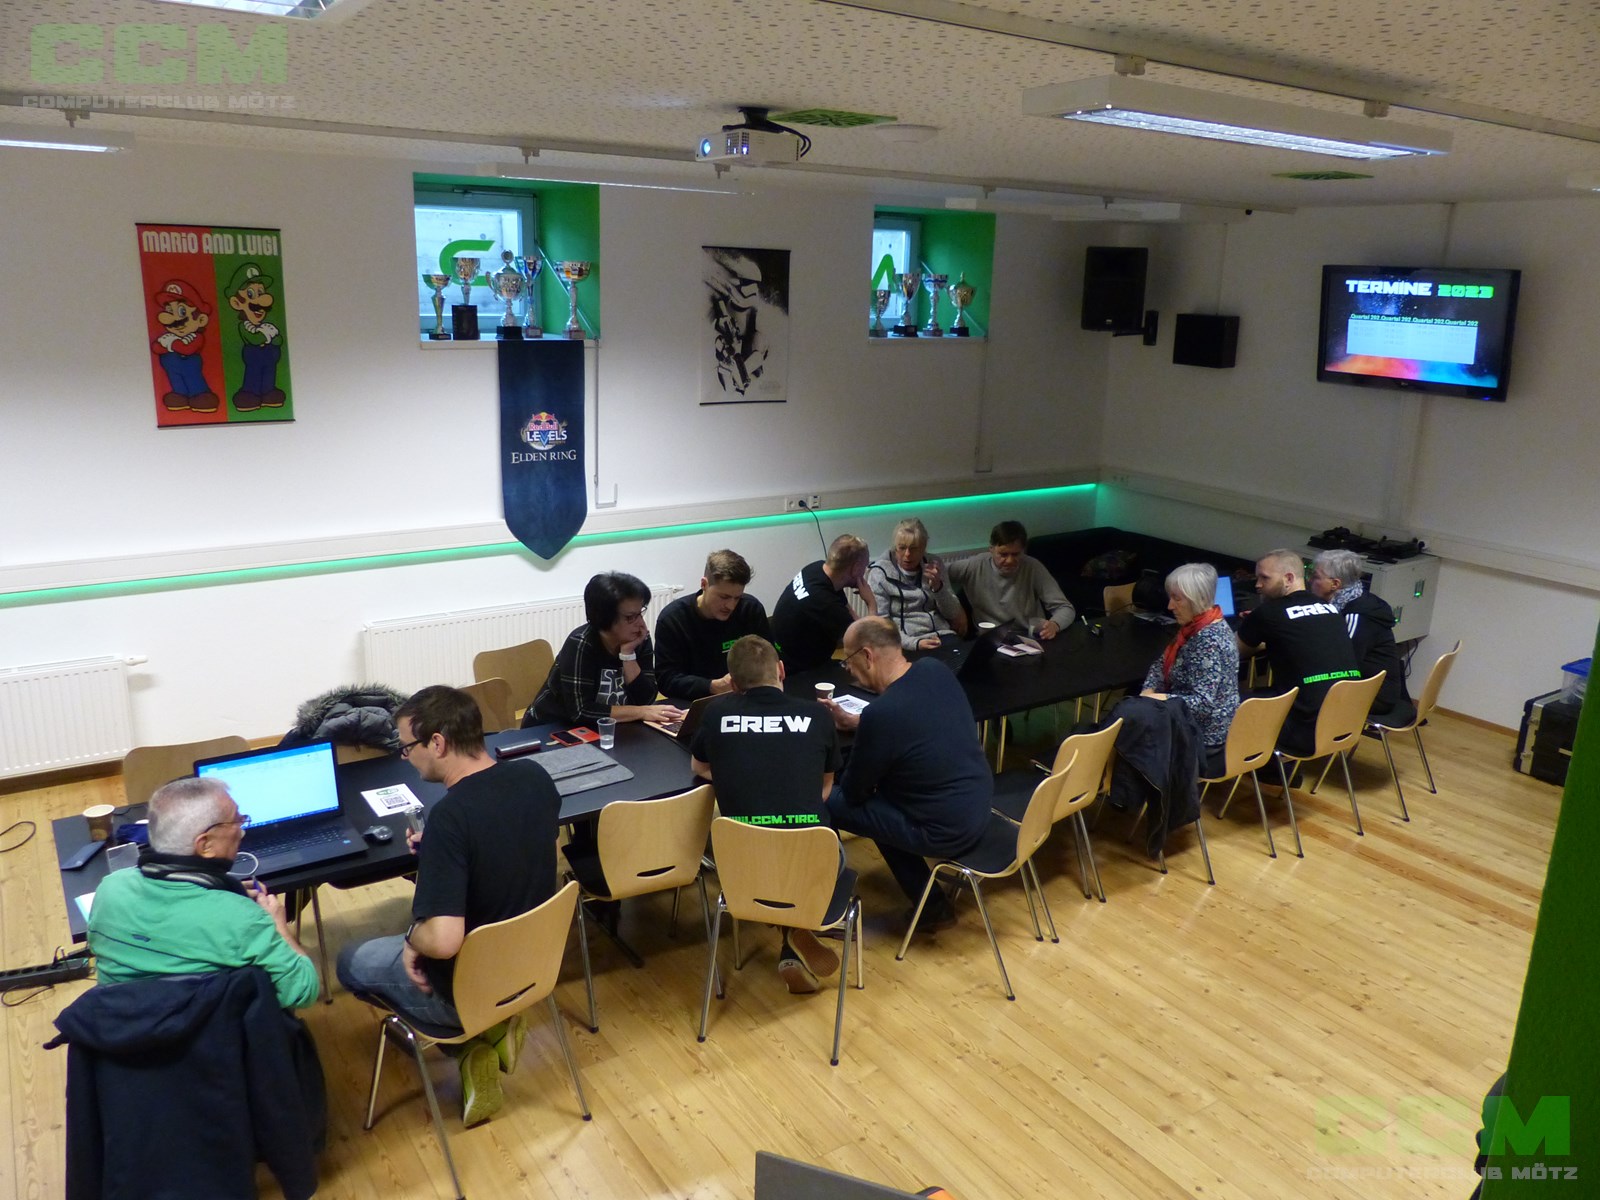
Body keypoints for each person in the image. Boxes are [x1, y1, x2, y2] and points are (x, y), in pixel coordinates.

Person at [336, 685, 561, 1127]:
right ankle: (495, 1030)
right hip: (534, 967)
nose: (406, 757)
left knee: (349, 961)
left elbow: (442, 941)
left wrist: (411, 940)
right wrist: (442, 856)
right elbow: (515, 847)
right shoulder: (535, 777)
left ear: (437, 743)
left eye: (407, 748)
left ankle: (472, 1043)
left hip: (468, 990)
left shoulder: (450, 817)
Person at [690, 635, 843, 994]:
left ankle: (791, 938)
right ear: (781, 670)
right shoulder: (817, 715)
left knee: (767, 865)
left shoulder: (716, 714)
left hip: (743, 865)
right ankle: (795, 933)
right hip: (812, 857)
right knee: (809, 854)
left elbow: (699, 766)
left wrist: (738, 775)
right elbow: (824, 788)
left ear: (733, 683)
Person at [87, 776, 320, 1010]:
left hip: (120, 1025)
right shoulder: (244, 919)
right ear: (205, 845)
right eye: (236, 821)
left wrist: (222, 895)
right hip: (204, 1030)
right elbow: (303, 991)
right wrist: (278, 928)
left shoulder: (109, 888)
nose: (241, 831)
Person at [822, 617, 992, 930]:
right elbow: (918, 720)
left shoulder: (881, 715)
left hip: (943, 831)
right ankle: (930, 904)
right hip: (978, 806)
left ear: (867, 656)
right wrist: (861, 724)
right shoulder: (934, 669)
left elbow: (854, 792)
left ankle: (826, 908)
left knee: (826, 797)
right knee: (881, 799)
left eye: (848, 661)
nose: (849, 670)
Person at [1236, 548, 1362, 755]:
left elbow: (1232, 652)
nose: (1257, 585)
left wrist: (1257, 630)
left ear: (1288, 578)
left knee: (1229, 704)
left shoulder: (1268, 613)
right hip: (1345, 723)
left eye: (1265, 578)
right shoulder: (1331, 608)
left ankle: (1254, 767)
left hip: (1303, 729)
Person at [526, 571, 686, 727]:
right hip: (551, 726)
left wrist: (628, 655)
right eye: (630, 617)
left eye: (640, 613)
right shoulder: (581, 643)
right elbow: (581, 712)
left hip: (611, 727)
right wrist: (640, 712)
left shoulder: (639, 639)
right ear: (605, 618)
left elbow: (646, 699)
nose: (640, 623)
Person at [1139, 563, 1240, 777]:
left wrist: (1158, 698)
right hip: (1189, 718)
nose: (1170, 606)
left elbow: (1202, 703)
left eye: (1177, 599)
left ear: (1198, 599)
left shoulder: (1208, 641)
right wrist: (1148, 690)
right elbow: (1159, 665)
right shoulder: (1198, 626)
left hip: (1205, 736)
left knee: (1128, 730)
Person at [1310, 548, 1416, 727]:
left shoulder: (1356, 615)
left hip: (1375, 695)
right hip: (1366, 685)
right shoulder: (1354, 598)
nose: (1310, 580)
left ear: (1335, 584)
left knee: (1303, 693)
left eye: (1315, 577)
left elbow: (1345, 663)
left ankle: (1320, 739)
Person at [654, 549, 773, 703]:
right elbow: (666, 680)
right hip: (693, 702)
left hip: (744, 698)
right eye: (724, 597)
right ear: (704, 584)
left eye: (737, 598)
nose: (730, 606)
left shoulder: (750, 609)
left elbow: (768, 660)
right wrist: (712, 686)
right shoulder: (673, 619)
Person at [946, 520, 1075, 638]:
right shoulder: (975, 565)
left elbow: (1065, 607)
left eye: (1015, 554)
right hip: (991, 638)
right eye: (1003, 554)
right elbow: (938, 574)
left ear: (1023, 551)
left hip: (1028, 636)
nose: (1009, 560)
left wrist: (1055, 624)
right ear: (991, 549)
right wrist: (957, 609)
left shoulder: (1033, 567)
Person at [770, 533, 875, 672]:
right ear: (855, 568)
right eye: (864, 566)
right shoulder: (825, 603)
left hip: (781, 655)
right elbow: (866, 642)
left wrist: (859, 628)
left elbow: (853, 621)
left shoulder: (816, 569)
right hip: (796, 670)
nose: (864, 571)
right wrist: (871, 603)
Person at [864, 517, 968, 650]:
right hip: (903, 641)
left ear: (923, 548)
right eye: (902, 548)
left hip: (941, 634)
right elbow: (882, 623)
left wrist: (938, 587)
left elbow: (952, 613)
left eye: (914, 549)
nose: (907, 554)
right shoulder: (879, 573)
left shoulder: (934, 564)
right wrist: (914, 643)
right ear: (895, 548)